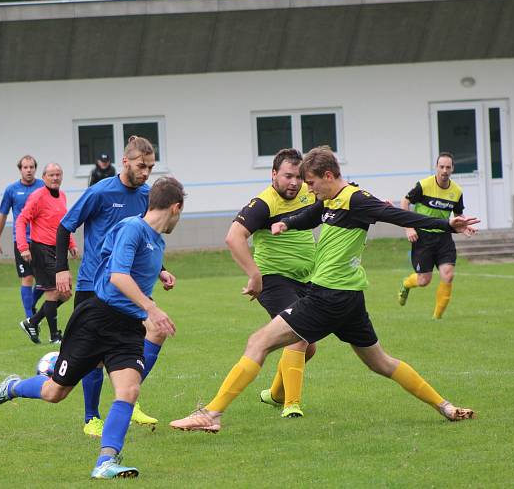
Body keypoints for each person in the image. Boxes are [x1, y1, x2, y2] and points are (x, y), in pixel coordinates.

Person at [170, 146, 477, 433]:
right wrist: (287, 224)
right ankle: (445, 406)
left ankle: (211, 414)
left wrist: (449, 225)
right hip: (349, 298)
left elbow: (400, 216)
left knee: (259, 342)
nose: (309, 188)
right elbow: (312, 215)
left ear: (328, 176)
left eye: (312, 182)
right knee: (381, 362)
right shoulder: (331, 199)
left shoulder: (357, 200)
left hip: (328, 297)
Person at [0, 177, 185, 480]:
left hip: (126, 328)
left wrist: (161, 275)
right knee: (54, 392)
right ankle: (10, 388)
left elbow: (122, 265)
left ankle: (106, 461)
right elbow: (117, 276)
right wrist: (152, 308)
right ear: (176, 207)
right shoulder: (132, 228)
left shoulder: (155, 240)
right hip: (96, 321)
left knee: (129, 390)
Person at [55, 136, 175, 436]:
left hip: (129, 287)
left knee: (153, 333)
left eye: (150, 167)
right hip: (93, 285)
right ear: (125, 162)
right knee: (94, 358)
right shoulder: (101, 191)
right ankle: (91, 417)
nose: (146, 173)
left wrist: (159, 270)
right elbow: (64, 226)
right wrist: (60, 269)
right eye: (140, 166)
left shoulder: (148, 196)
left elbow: (144, 238)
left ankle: (128, 400)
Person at [225, 148, 317, 418]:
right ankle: (292, 405)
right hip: (274, 280)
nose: (294, 182)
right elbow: (234, 237)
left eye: (299, 177)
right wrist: (255, 274)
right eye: (288, 176)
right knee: (299, 333)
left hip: (306, 280)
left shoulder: (307, 193)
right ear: (274, 174)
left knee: (309, 347)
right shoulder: (263, 204)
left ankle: (276, 394)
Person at [397, 152, 465, 319]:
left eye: (448, 167)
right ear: (436, 168)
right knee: (423, 281)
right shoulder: (423, 185)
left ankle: (437, 318)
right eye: (441, 167)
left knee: (448, 274)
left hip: (444, 238)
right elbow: (404, 202)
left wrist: (465, 226)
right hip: (423, 237)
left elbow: (458, 215)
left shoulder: (456, 191)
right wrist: (409, 227)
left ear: (452, 169)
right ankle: (406, 284)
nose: (444, 170)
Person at [16, 163, 78, 344]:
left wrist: (71, 243)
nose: (55, 178)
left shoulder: (63, 196)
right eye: (51, 175)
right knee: (53, 292)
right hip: (41, 249)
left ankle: (32, 322)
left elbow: (63, 225)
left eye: (58, 174)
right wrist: (23, 247)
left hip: (57, 250)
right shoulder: (37, 196)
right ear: (44, 177)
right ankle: (55, 336)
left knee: (65, 293)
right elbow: (21, 220)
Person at [0, 155, 45, 320]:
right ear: (20, 169)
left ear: (35, 169)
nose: (29, 170)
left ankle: (31, 305)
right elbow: (2, 215)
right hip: (22, 240)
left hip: (42, 239)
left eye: (31, 167)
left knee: (45, 280)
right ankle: (30, 317)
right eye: (25, 167)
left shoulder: (43, 186)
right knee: (27, 277)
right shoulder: (11, 190)